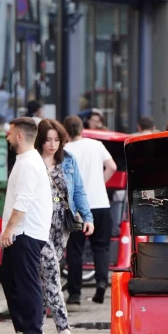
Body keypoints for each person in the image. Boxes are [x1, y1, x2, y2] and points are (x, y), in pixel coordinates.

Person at [36, 119, 94, 334]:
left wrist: (87, 217)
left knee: (45, 274)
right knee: (51, 271)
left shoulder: (68, 159)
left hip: (63, 223)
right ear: (40, 140)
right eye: (48, 139)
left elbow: (78, 190)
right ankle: (64, 329)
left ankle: (36, 329)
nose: (52, 144)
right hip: (38, 221)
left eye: (56, 140)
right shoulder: (32, 160)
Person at [0, 117, 53, 334]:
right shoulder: (26, 160)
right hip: (23, 231)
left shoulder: (28, 163)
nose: (7, 136)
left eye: (10, 132)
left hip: (26, 231)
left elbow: (23, 200)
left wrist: (9, 229)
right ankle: (24, 330)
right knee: (11, 280)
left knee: (26, 282)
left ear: (19, 136)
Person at [63, 115, 117, 304]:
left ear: (66, 132)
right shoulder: (96, 145)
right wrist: (100, 183)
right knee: (101, 247)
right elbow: (112, 166)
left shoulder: (65, 150)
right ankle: (101, 283)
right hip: (100, 203)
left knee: (74, 250)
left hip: (76, 207)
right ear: (81, 129)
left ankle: (75, 293)